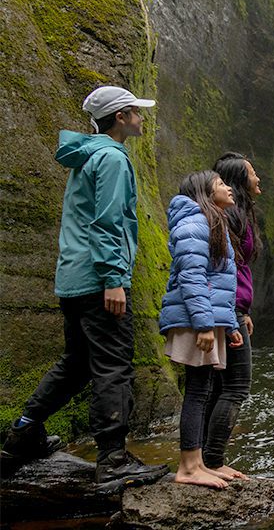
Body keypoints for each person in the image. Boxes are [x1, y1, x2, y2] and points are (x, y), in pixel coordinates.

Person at [0, 86, 168, 486]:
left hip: (73, 280)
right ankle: (112, 460)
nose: (141, 118)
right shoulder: (111, 158)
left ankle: (23, 432)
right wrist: (114, 280)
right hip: (99, 281)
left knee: (76, 364)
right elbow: (107, 222)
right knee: (114, 366)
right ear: (121, 117)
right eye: (135, 112)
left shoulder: (87, 156)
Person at [158, 171, 243, 488]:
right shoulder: (195, 223)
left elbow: (220, 282)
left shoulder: (209, 221)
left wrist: (229, 324)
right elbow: (193, 278)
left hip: (206, 317)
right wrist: (205, 325)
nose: (229, 188)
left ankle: (200, 462)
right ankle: (189, 467)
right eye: (221, 184)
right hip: (196, 319)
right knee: (197, 391)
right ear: (205, 192)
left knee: (204, 388)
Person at [199, 152, 263, 480]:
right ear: (239, 178)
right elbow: (223, 268)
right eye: (253, 174)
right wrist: (232, 310)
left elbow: (238, 267)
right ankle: (211, 460)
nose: (258, 179)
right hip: (225, 308)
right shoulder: (229, 217)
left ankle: (204, 460)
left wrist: (243, 309)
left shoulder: (236, 216)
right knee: (236, 385)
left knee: (218, 385)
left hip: (232, 307)